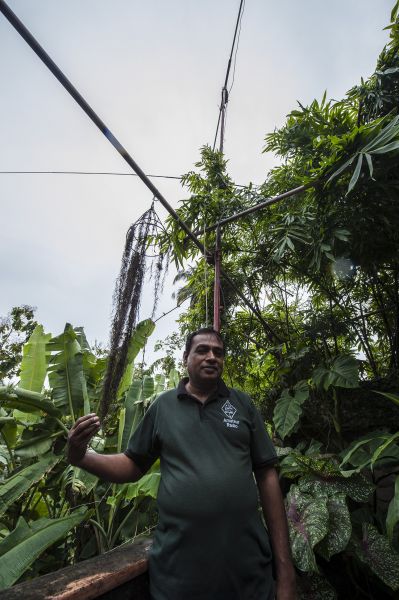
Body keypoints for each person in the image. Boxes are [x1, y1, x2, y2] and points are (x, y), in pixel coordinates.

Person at [67, 327, 296, 600]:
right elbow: (131, 465)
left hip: (247, 573)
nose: (212, 357)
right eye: (202, 350)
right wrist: (81, 456)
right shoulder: (163, 407)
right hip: (179, 577)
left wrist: (285, 572)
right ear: (185, 357)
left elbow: (268, 478)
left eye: (218, 352)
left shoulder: (242, 405)